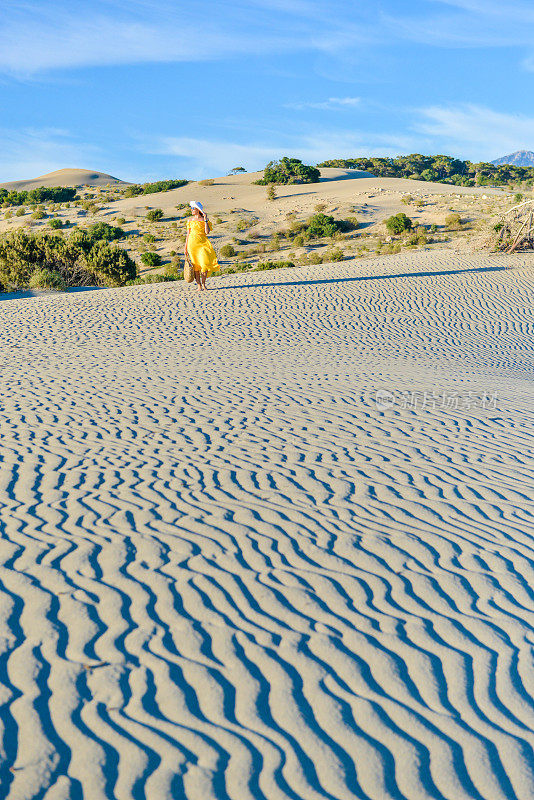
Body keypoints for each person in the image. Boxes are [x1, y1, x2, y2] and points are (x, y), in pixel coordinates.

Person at [185, 201, 219, 290]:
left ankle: (203, 284)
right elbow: (188, 235)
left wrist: (205, 220)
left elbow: (207, 232)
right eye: (191, 208)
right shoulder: (190, 221)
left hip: (203, 243)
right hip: (192, 244)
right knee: (196, 266)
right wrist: (185, 248)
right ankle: (199, 286)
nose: (191, 210)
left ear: (198, 210)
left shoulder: (204, 220)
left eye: (193, 208)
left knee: (204, 264)